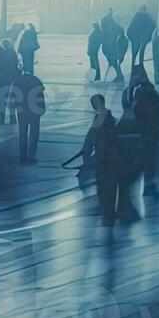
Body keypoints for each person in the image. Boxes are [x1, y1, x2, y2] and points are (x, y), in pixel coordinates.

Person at [68, 94, 124, 224]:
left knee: (105, 186)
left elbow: (90, 139)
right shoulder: (110, 118)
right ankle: (109, 213)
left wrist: (86, 159)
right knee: (110, 186)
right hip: (111, 158)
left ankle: (108, 214)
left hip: (104, 159)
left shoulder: (100, 118)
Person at [132, 76, 159, 193]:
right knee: (151, 157)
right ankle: (149, 182)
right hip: (151, 130)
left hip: (145, 130)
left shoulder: (140, 96)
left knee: (146, 156)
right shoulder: (153, 96)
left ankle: (147, 182)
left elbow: (136, 111)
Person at [14, 67, 45, 162]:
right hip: (34, 111)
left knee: (22, 134)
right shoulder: (36, 80)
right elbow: (40, 95)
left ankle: (22, 155)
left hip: (22, 110)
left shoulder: (17, 81)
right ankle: (32, 155)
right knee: (34, 134)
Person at [0, 39, 19, 125]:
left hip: (0, 79)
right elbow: (15, 65)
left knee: (2, 98)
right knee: (11, 98)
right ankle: (12, 118)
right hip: (10, 78)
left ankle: (2, 119)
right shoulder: (12, 52)